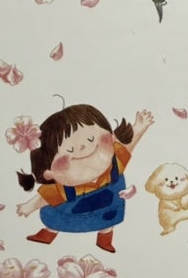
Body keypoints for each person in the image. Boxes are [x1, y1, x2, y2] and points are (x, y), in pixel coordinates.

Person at [16, 103, 154, 252]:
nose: (83, 147)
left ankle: (104, 240)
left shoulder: (116, 163)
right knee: (54, 221)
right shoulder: (61, 186)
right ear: (50, 172)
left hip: (107, 211)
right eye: (70, 149)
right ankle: (48, 234)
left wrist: (140, 127)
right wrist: (29, 206)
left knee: (107, 224)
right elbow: (44, 198)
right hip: (69, 215)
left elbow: (129, 145)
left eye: (91, 139)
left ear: (112, 137)